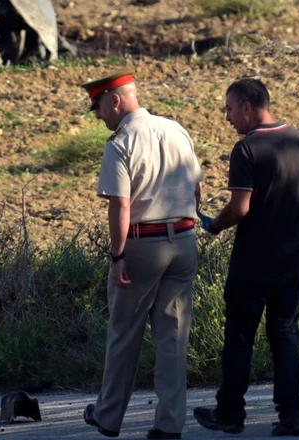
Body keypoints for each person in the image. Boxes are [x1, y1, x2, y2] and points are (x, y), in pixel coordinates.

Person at [191, 77, 299, 437]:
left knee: (239, 337)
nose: (227, 117)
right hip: (294, 258)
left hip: (253, 263)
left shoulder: (247, 149)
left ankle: (231, 413)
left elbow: (240, 207)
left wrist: (214, 226)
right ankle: (291, 416)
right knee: (285, 333)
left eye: (230, 109)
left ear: (248, 107)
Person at [78, 72, 204, 440]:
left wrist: (118, 257)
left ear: (114, 101)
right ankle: (169, 424)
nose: (98, 115)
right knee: (173, 339)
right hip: (183, 240)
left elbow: (120, 205)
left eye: (99, 106)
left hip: (142, 244)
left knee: (124, 333)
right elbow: (197, 188)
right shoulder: (176, 128)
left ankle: (108, 416)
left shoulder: (120, 143)